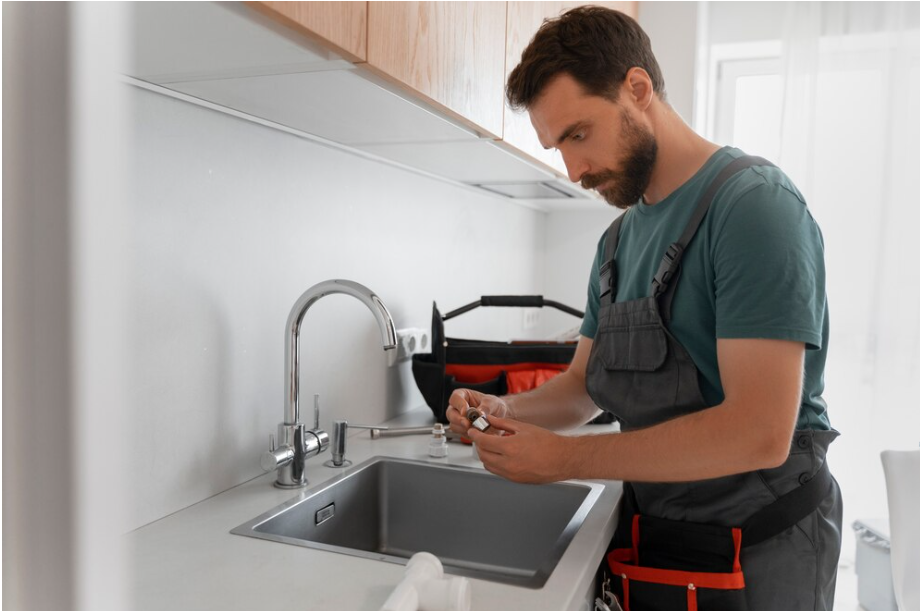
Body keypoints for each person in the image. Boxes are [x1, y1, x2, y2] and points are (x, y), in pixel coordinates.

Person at [446, 6, 842, 610]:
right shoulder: (617, 242)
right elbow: (582, 388)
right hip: (662, 546)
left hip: (763, 551)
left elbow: (760, 432)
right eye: (558, 147)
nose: (573, 169)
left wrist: (565, 460)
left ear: (638, 89)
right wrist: (505, 408)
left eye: (579, 133)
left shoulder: (754, 210)